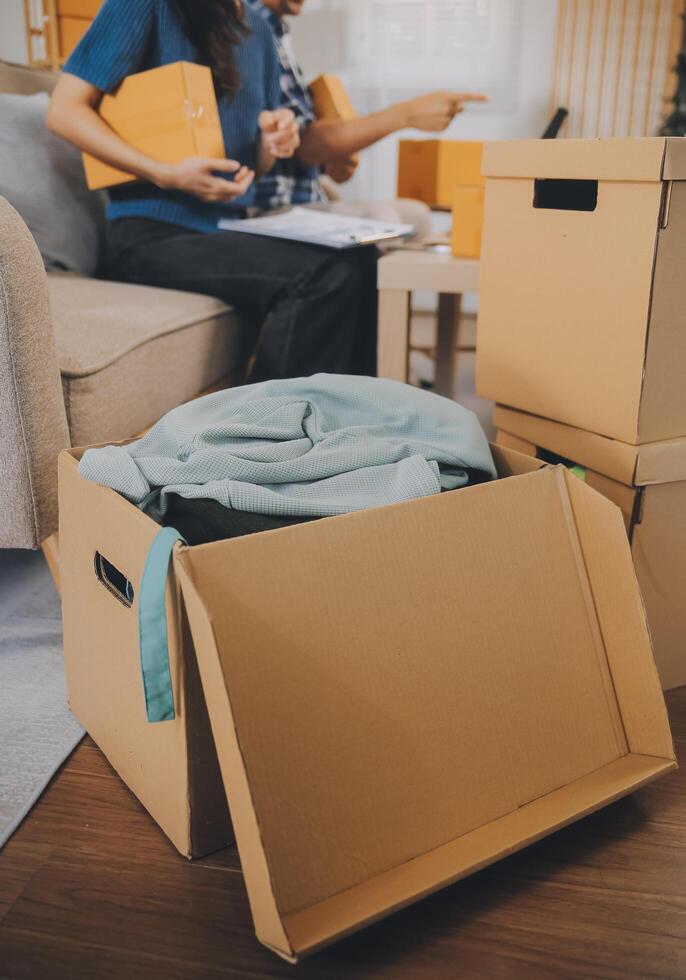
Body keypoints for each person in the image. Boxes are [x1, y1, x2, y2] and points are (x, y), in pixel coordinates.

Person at [46, 0, 379, 380]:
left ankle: (346, 417)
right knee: (323, 274)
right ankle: (268, 429)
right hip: (149, 237)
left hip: (230, 229)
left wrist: (273, 142)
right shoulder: (146, 5)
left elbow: (257, 160)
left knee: (362, 259)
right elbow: (64, 110)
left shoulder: (258, 28)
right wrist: (164, 173)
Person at [245, 0, 487, 216]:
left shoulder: (275, 32)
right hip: (273, 207)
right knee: (390, 218)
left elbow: (287, 138)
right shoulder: (249, 29)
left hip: (301, 195)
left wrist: (326, 163)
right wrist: (406, 115)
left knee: (415, 215)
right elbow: (305, 145)